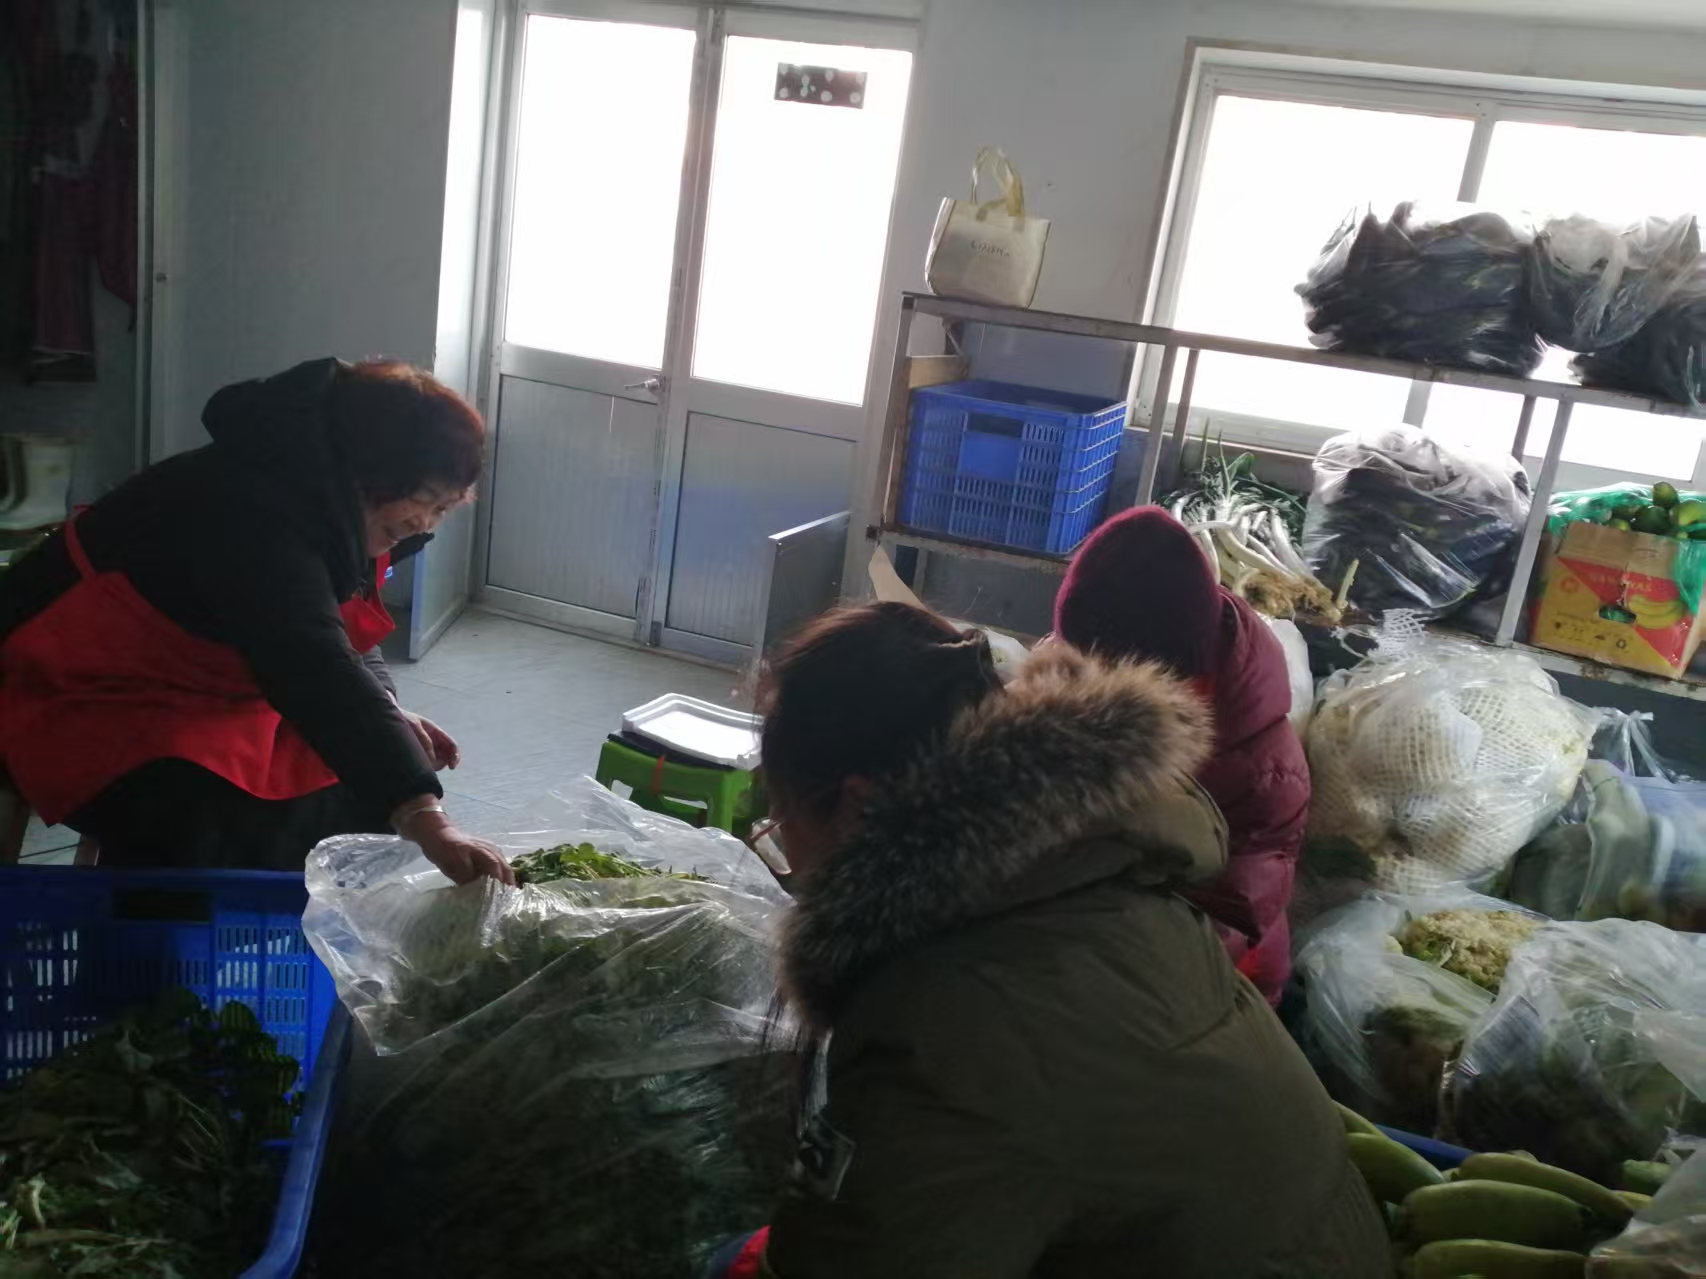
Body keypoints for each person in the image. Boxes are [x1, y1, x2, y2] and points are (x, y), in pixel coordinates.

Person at [717, 602, 1387, 1278]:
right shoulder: (1096, 874)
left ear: (858, 807)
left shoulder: (942, 1029)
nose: (785, 849)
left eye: (780, 814)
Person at [0, 357, 512, 883]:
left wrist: (387, 705)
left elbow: (339, 631)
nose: (423, 523)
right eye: (422, 499)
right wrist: (424, 813)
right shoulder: (249, 510)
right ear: (371, 469)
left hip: (203, 689)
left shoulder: (340, 506)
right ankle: (144, 932)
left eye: (443, 507)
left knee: (366, 801)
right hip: (72, 690)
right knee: (197, 826)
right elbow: (315, 664)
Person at [1052, 505, 1308, 1004]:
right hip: (1107, 935)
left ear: (1171, 679)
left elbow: (1232, 916)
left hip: (1219, 976)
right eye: (1082, 668)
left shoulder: (1266, 772)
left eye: (1109, 680)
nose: (1089, 687)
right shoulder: (1090, 667)